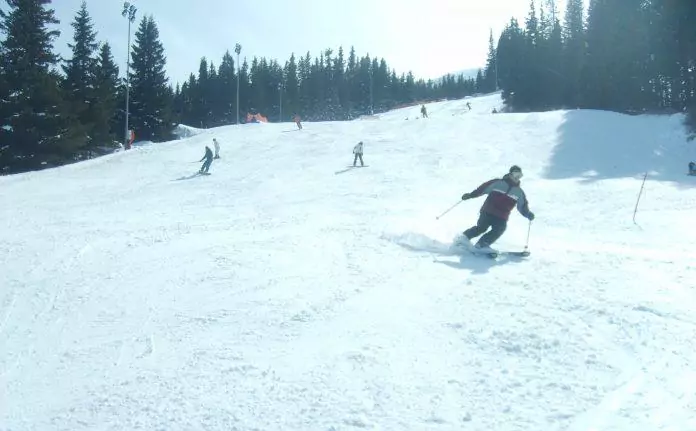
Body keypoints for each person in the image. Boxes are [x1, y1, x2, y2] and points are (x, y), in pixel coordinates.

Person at [458, 165, 535, 252]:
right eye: (515, 174)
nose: (517, 177)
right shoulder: (498, 183)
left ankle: (482, 244)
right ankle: (463, 238)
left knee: (500, 229)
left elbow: (522, 206)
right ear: (510, 174)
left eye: (519, 175)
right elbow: (482, 189)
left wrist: (528, 214)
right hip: (488, 211)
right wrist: (471, 195)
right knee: (481, 228)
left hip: (502, 216)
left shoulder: (519, 192)